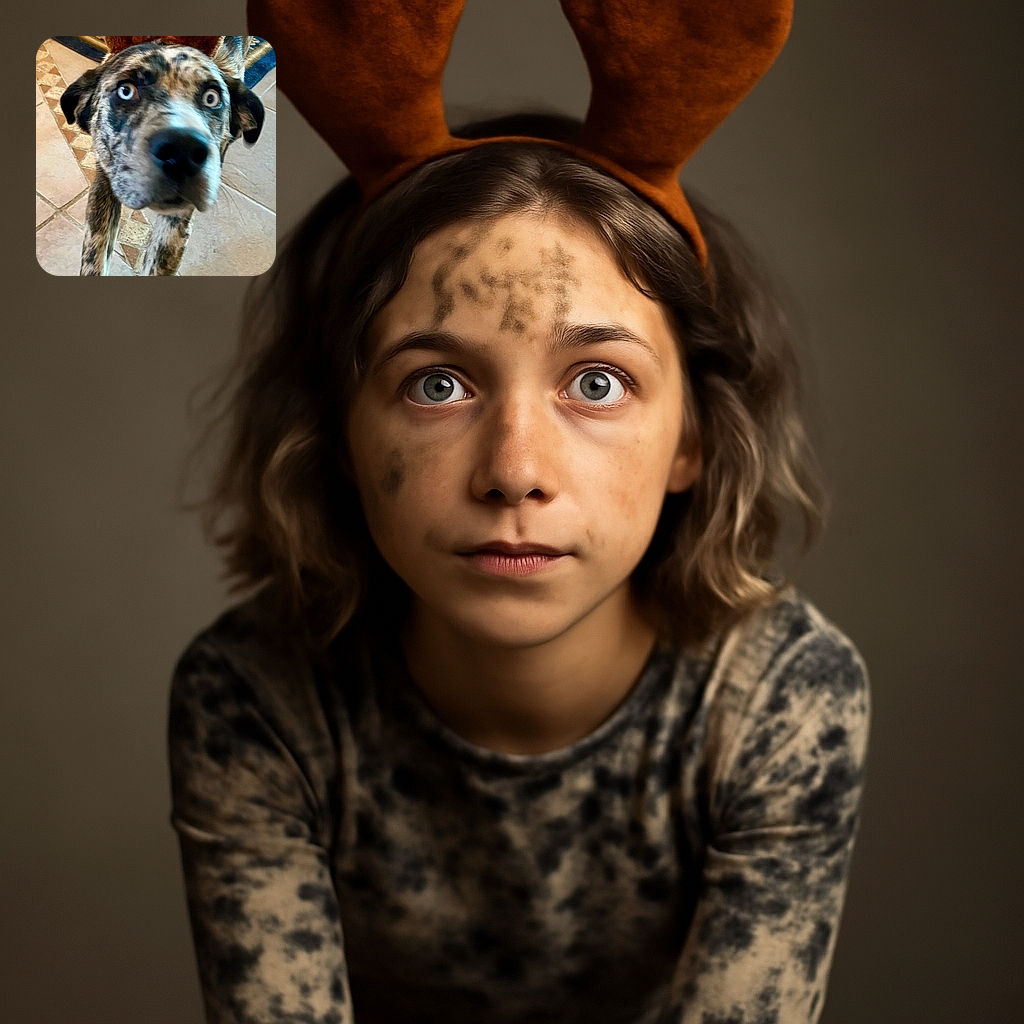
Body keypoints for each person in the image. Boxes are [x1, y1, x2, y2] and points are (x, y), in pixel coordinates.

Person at [170, 4, 868, 1023]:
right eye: (436, 386)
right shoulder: (254, 699)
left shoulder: (780, 701)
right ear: (339, 434)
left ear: (693, 437)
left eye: (595, 383)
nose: (514, 473)